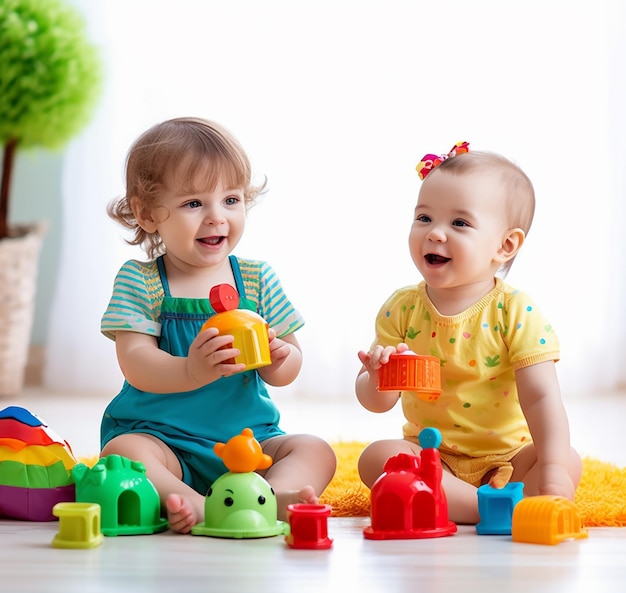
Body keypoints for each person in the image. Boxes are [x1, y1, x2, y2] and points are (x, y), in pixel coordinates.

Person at [100, 117, 336, 533]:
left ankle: (269, 495)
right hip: (166, 441)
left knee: (315, 450)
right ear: (148, 213)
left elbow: (290, 365)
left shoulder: (257, 279)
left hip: (249, 442)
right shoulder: (142, 280)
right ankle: (197, 504)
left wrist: (278, 357)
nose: (216, 217)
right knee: (124, 453)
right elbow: (135, 361)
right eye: (194, 204)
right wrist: (191, 370)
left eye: (231, 200)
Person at [355, 142, 581, 524]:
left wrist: (555, 469)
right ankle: (488, 508)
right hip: (430, 457)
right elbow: (375, 402)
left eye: (459, 223)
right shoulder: (402, 308)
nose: (435, 234)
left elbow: (542, 396)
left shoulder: (516, 310)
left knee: (564, 459)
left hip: (509, 458)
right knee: (376, 459)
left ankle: (477, 501)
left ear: (505, 245)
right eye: (424, 218)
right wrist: (377, 376)